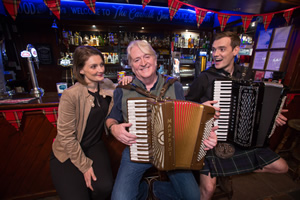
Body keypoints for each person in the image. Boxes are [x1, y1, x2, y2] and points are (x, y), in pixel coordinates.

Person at [106, 40, 218, 200]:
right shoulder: (123, 90)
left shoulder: (174, 86)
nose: (143, 63)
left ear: (155, 59)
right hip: (137, 151)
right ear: (131, 65)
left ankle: (156, 188)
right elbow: (111, 119)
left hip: (172, 151)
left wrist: (205, 133)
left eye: (147, 57)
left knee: (193, 196)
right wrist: (114, 128)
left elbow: (187, 120)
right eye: (137, 60)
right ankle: (143, 190)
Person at [185, 31, 289, 200]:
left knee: (282, 167)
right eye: (214, 49)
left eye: (222, 49)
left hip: (240, 140)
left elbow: (255, 106)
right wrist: (200, 108)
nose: (216, 54)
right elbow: (186, 105)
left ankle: (227, 171)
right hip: (212, 140)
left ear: (235, 51)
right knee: (209, 190)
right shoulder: (205, 77)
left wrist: (270, 117)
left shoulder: (247, 75)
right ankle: (223, 172)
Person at [50, 46, 131, 200]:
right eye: (93, 66)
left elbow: (120, 90)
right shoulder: (71, 95)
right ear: (81, 70)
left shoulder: (106, 84)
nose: (100, 69)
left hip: (94, 144)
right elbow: (66, 137)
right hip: (68, 150)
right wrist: (85, 166)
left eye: (101, 64)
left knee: (105, 187)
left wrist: (129, 80)